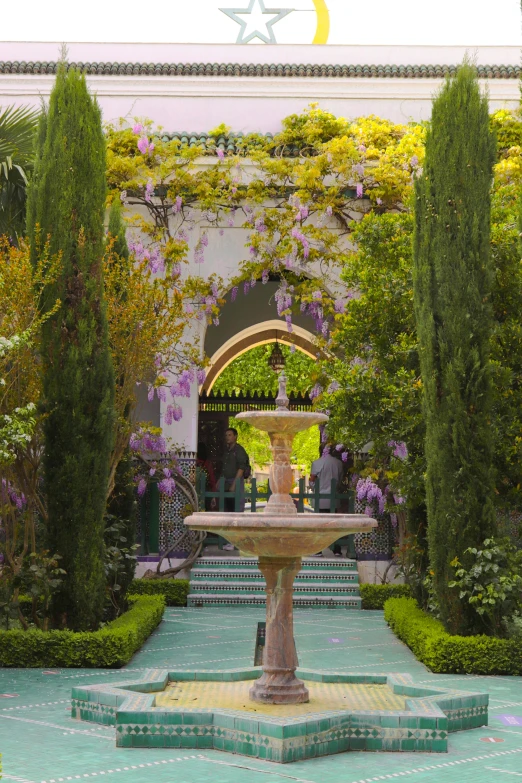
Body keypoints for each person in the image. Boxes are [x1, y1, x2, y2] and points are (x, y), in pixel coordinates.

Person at [309, 445, 344, 557]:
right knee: (334, 524)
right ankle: (336, 549)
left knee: (320, 525)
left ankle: (318, 549)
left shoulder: (317, 463)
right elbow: (341, 480)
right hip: (334, 497)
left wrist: (313, 487)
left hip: (321, 499)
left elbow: (312, 481)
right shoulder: (338, 463)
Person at [220, 427, 250, 549]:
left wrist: (234, 484)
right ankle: (229, 541)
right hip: (226, 483)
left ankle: (236, 542)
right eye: (226, 435)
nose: (228, 437)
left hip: (235, 483)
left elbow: (241, 468)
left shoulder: (239, 450)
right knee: (228, 513)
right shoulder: (227, 451)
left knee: (237, 512)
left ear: (235, 436)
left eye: (230, 435)